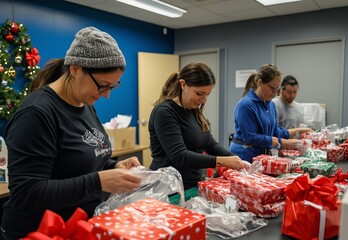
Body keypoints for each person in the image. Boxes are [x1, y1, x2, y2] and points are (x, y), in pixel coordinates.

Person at [0, 27, 142, 239]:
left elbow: (77, 162)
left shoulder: (84, 104)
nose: (107, 95)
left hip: (78, 228)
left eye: (113, 86)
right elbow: (26, 193)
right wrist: (99, 181)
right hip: (40, 232)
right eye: (103, 86)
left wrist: (113, 166)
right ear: (75, 69)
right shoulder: (37, 113)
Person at [148, 62, 248, 190]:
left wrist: (235, 159)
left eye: (207, 94)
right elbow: (180, 156)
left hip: (192, 185)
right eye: (199, 93)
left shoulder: (193, 110)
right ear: (183, 85)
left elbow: (210, 144)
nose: (204, 100)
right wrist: (222, 161)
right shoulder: (164, 112)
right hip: (168, 187)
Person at [229, 64, 312, 163]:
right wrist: (280, 142)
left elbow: (275, 131)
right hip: (245, 157)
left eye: (277, 90)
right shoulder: (245, 105)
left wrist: (298, 132)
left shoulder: (271, 105)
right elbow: (250, 137)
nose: (274, 93)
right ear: (260, 83)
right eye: (272, 88)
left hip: (262, 156)